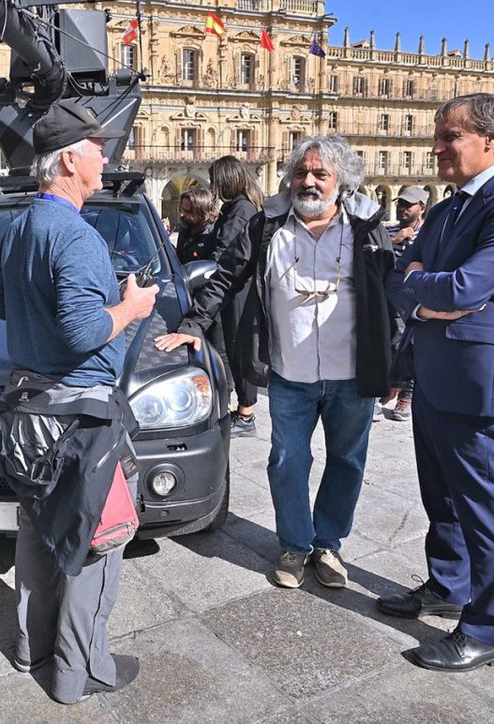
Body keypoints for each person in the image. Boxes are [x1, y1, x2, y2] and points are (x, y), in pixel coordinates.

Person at [156, 134, 396, 591]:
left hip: (352, 373)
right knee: (286, 460)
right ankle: (295, 545)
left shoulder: (366, 226)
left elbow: (389, 292)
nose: (309, 181)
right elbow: (226, 276)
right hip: (290, 372)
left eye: (321, 174)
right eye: (301, 172)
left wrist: (394, 364)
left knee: (347, 461)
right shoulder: (267, 225)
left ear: (340, 181)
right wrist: (192, 325)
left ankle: (329, 545)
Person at [380, 94, 494, 672]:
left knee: (484, 504)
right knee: (440, 495)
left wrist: (425, 286)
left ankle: (487, 629)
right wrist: (424, 294)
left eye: (449, 136)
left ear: (492, 140)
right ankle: (447, 585)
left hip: (481, 381)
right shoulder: (447, 209)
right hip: (433, 372)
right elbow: (398, 280)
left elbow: (464, 287)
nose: (436, 148)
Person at [0, 100, 157, 705]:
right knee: (97, 541)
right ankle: (79, 671)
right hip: (79, 419)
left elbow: (6, 306)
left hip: (27, 412)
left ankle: (31, 649)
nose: (105, 159)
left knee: (38, 533)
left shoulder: (17, 228)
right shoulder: (77, 235)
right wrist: (132, 307)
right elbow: (84, 331)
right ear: (67, 161)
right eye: (97, 149)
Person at [207, 155, 264, 433]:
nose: (213, 186)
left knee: (240, 350)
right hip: (236, 288)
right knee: (234, 349)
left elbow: (226, 252)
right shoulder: (236, 207)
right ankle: (242, 411)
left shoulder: (241, 210)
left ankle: (246, 415)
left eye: (215, 181)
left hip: (239, 290)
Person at [384, 186, 430, 422]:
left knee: (410, 345)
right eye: (400, 203)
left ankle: (406, 395)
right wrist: (395, 239)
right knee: (391, 343)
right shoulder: (389, 230)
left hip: (415, 299)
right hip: (388, 297)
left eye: (408, 205)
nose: (402, 208)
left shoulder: (429, 234)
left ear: (421, 208)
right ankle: (388, 388)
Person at [173, 187, 218, 265]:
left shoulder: (213, 236)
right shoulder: (185, 230)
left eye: (187, 212)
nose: (182, 214)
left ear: (202, 213)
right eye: (181, 209)